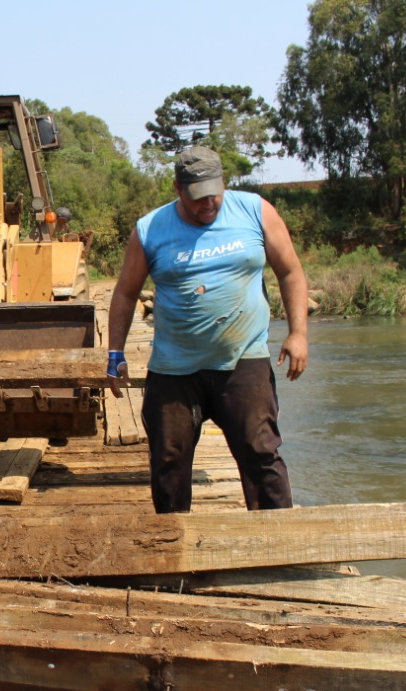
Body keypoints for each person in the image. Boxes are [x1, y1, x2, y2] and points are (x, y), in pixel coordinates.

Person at [106, 145, 309, 514]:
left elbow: (290, 272)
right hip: (175, 369)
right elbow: (125, 292)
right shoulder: (150, 229)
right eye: (198, 198)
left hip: (242, 361)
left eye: (215, 195)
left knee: (261, 451)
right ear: (177, 189)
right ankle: (174, 549)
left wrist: (297, 334)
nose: (208, 205)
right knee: (169, 461)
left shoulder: (255, 211)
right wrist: (115, 353)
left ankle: (281, 545)